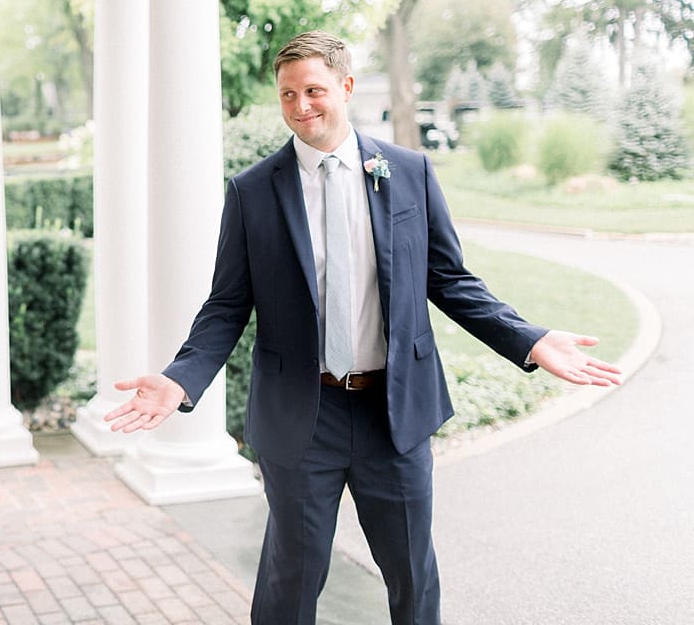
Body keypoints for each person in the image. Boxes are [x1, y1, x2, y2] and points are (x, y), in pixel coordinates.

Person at [105, 31, 622, 625]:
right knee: (291, 579)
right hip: (302, 418)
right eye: (288, 94)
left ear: (346, 86)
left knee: (412, 577)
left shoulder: (409, 172)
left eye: (314, 90)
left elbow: (449, 280)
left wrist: (529, 337)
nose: (301, 106)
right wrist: (181, 378)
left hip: (393, 414)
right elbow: (226, 305)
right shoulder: (253, 192)